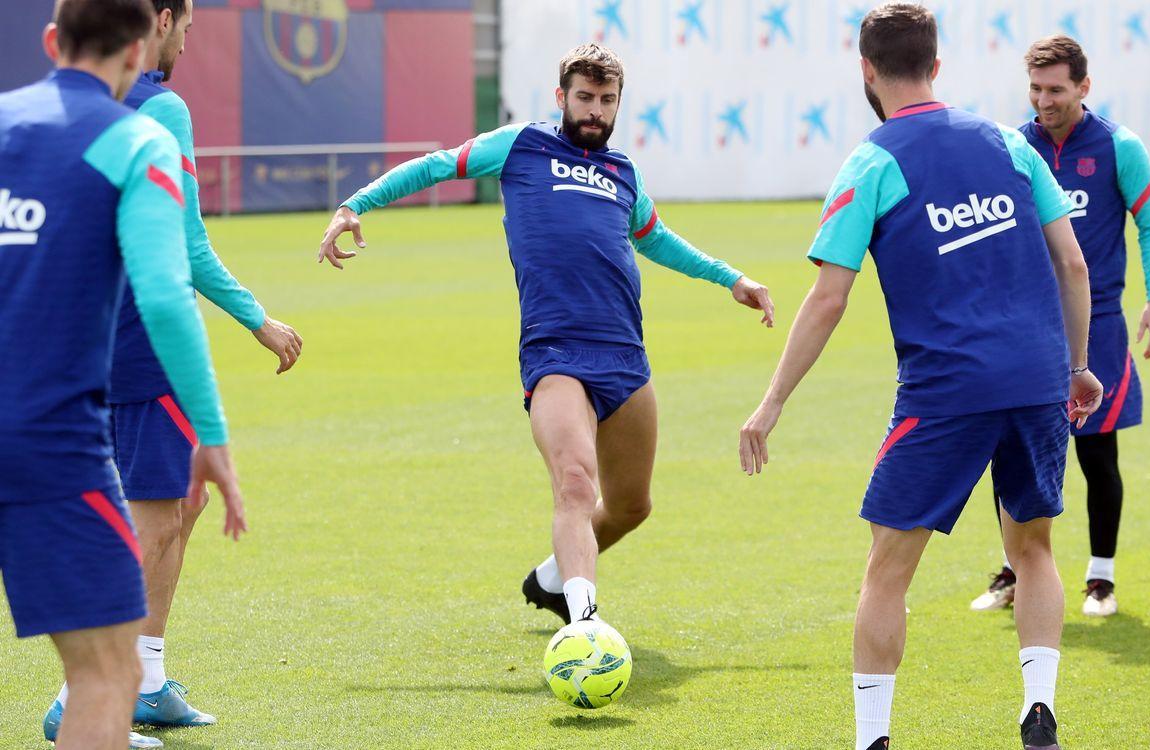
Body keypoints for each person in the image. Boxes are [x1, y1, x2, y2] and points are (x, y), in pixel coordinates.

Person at [737, 5, 1101, 749]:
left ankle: (873, 739)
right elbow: (1071, 261)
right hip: (1036, 383)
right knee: (1033, 548)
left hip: (946, 393)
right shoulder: (1009, 142)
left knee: (887, 571)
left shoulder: (870, 162)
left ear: (866, 70)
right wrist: (1078, 366)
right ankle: (1039, 710)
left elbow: (828, 298)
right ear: (936, 65)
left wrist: (770, 403)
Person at [318, 42, 774, 627]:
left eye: (607, 101)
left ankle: (554, 580)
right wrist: (355, 204)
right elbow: (434, 165)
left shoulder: (623, 173)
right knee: (576, 483)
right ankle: (586, 622)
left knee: (632, 505)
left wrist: (730, 278)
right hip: (555, 352)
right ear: (561, 97)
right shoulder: (520, 146)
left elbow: (656, 238)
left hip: (626, 358)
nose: (595, 112)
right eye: (584, 98)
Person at [39, 1, 301, 738]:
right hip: (145, 346)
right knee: (149, 524)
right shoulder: (165, 108)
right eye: (185, 21)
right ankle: (84, 698)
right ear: (158, 19)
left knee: (180, 506)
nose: (189, 37)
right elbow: (184, 246)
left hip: (83, 344)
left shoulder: (63, 109)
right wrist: (258, 318)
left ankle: (146, 677)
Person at [0, 1, 246, 749]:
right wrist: (212, 433)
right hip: (47, 444)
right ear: (141, 50)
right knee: (107, 671)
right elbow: (167, 298)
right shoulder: (141, 139)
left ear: (51, 41)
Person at [969, 33, 1150, 618]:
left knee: (1096, 454)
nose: (1043, 101)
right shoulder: (1013, 145)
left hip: (1097, 323)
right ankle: (1013, 571)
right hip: (1025, 325)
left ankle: (1100, 579)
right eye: (1035, 89)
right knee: (1013, 449)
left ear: (1084, 86)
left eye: (1056, 89)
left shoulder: (1118, 147)